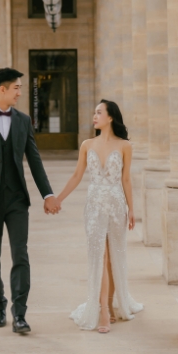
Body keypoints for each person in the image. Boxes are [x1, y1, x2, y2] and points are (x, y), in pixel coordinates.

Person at [0, 67, 59, 335]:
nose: (20, 92)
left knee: (20, 254)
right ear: (2, 89)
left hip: (17, 199)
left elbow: (35, 159)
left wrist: (48, 194)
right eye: (16, 87)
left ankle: (20, 313)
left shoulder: (23, 120)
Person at [53, 99, 144, 332]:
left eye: (98, 112)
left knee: (114, 256)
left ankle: (113, 305)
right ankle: (103, 311)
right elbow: (76, 176)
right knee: (99, 257)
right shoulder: (86, 144)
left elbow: (126, 179)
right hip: (93, 206)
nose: (94, 116)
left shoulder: (125, 146)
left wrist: (132, 209)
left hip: (116, 205)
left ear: (110, 117)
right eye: (94, 112)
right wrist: (58, 198)